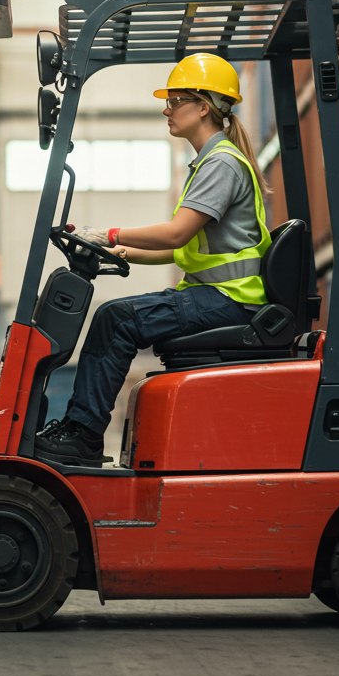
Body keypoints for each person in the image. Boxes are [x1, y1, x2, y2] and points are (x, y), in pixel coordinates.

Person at [34, 52, 271, 467]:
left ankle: (83, 434)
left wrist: (109, 232)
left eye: (175, 100)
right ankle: (82, 430)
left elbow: (176, 232)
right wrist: (116, 251)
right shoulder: (213, 161)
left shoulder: (220, 164)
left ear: (203, 106)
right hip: (221, 297)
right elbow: (181, 248)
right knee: (117, 317)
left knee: (116, 319)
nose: (167, 108)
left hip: (229, 300)